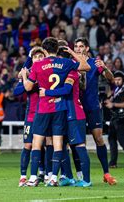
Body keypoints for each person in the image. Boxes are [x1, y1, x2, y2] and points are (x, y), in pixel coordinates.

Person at [23, 37, 90, 187]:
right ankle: (53, 177)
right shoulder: (66, 63)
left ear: (45, 50)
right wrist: (72, 52)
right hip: (60, 108)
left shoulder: (38, 65)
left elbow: (28, 88)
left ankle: (33, 177)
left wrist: (23, 76)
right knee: (59, 144)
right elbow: (86, 66)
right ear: (57, 49)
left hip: (43, 108)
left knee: (37, 143)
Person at [42, 42, 92, 187]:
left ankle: (87, 180)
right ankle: (68, 177)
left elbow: (66, 90)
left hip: (74, 113)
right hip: (63, 111)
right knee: (62, 145)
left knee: (79, 145)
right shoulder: (63, 72)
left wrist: (47, 92)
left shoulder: (71, 72)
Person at [74, 38, 117, 185]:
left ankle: (106, 173)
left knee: (99, 139)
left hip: (92, 107)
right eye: (76, 46)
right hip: (77, 107)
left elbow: (111, 79)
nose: (78, 49)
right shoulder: (72, 64)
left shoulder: (94, 62)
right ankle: (81, 176)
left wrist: (105, 68)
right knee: (80, 143)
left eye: (81, 46)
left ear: (86, 47)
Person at [14, 46, 45, 187]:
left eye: (40, 56)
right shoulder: (31, 73)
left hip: (46, 112)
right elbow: (16, 91)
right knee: (28, 145)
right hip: (31, 114)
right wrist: (26, 79)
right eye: (35, 57)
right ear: (31, 60)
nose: (38, 59)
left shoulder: (46, 72)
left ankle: (44, 173)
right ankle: (22, 175)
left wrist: (27, 80)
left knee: (45, 145)